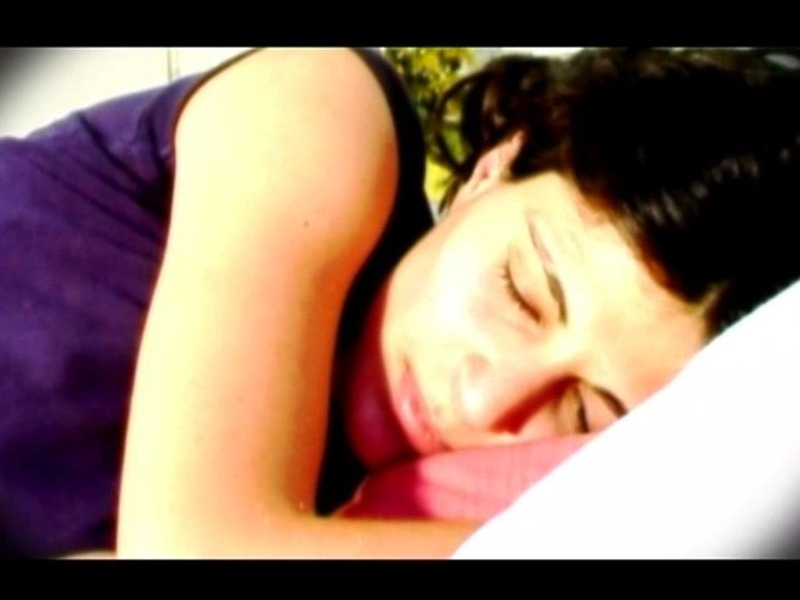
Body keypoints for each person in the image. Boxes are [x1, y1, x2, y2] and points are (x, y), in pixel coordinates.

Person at [0, 47, 798, 558]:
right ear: (495, 166)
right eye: (519, 293)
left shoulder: (357, 519)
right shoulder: (326, 108)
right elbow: (193, 550)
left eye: (584, 411)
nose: (486, 402)